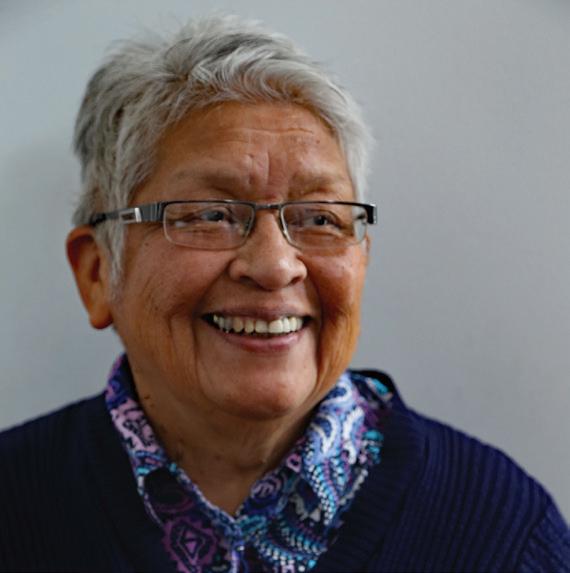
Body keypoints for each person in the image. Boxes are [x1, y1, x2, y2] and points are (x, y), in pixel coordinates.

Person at [0, 15, 568, 573]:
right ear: (98, 273)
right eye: (210, 215)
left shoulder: (501, 536)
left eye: (320, 218)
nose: (275, 266)